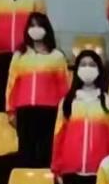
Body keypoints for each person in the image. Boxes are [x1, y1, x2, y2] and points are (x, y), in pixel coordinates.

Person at [51, 50, 109, 184]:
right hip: (71, 172)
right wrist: (57, 167)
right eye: (83, 64)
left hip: (98, 173)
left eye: (92, 64)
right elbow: (59, 135)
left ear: (99, 70)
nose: (87, 68)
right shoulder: (67, 102)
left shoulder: (107, 102)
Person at [6, 12, 69, 167]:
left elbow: (64, 87)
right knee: (25, 154)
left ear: (46, 29)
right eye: (32, 25)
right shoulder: (19, 56)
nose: (35, 29)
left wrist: (64, 112)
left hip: (49, 111)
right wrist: (10, 110)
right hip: (25, 110)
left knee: (45, 153)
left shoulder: (57, 57)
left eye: (39, 25)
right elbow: (11, 84)